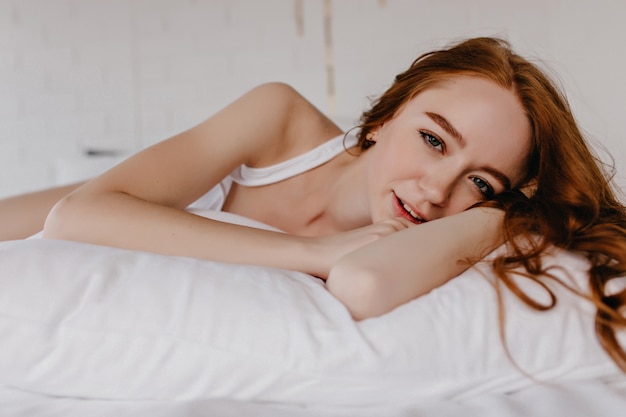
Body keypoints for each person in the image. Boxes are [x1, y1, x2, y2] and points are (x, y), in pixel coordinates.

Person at [1, 37, 625, 372]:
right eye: (433, 140)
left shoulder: (442, 232)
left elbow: (366, 286)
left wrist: (503, 217)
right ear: (384, 116)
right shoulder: (280, 119)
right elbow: (75, 219)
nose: (438, 191)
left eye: (481, 182)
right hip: (109, 192)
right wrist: (306, 253)